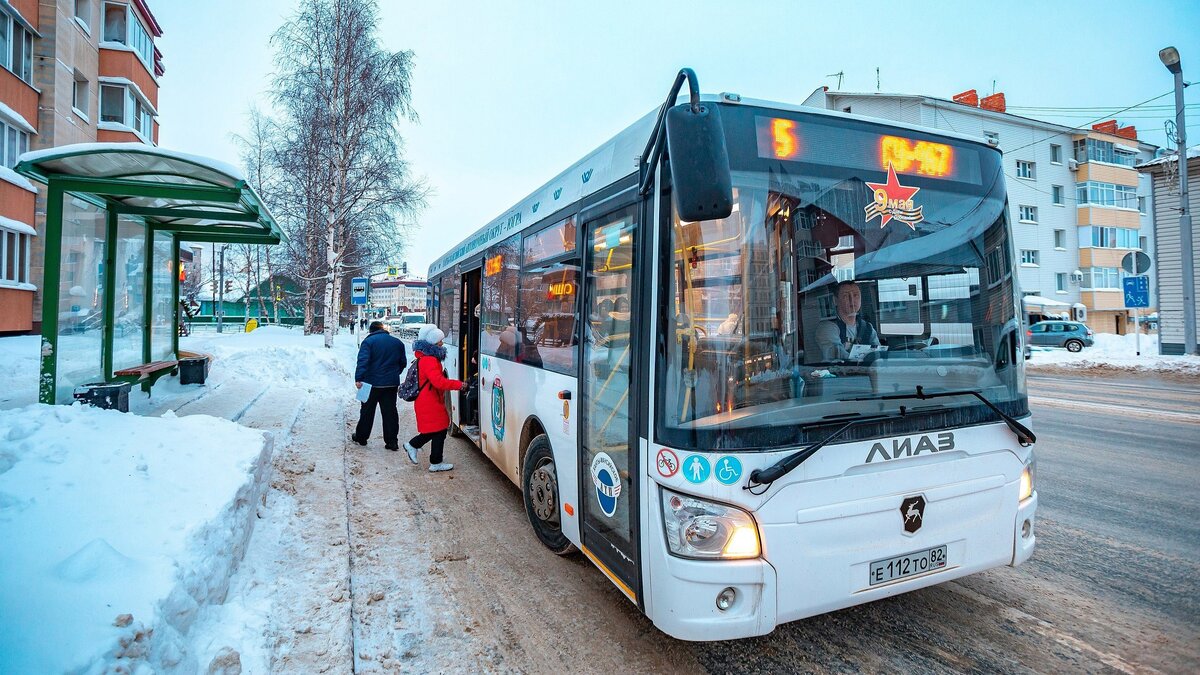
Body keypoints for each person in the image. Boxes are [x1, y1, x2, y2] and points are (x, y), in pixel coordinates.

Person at [403, 327, 465, 472]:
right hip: (429, 401)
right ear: (432, 343)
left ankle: (434, 460)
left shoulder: (425, 358)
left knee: (439, 429)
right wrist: (460, 385)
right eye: (439, 341)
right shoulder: (429, 360)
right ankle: (414, 446)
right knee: (436, 429)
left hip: (429, 399)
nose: (442, 344)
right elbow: (439, 382)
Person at [352, 320, 408, 449]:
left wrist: (359, 378)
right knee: (390, 413)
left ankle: (361, 437)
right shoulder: (397, 342)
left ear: (371, 331)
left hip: (370, 384)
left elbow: (363, 361)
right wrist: (394, 374)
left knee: (367, 411)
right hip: (390, 384)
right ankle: (392, 442)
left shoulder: (368, 342)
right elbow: (402, 362)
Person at [815, 280, 880, 361]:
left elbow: (878, 354)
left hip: (866, 372)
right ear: (835, 300)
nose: (852, 300)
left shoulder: (868, 328)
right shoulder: (827, 328)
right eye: (845, 296)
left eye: (856, 295)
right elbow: (838, 356)